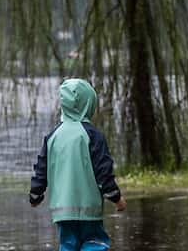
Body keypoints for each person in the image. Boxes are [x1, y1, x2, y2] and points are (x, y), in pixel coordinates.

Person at [30, 78, 126, 251]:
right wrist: (116, 198)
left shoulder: (53, 136)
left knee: (67, 244)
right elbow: (103, 172)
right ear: (89, 104)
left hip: (62, 209)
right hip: (89, 208)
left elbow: (41, 170)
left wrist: (36, 194)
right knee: (94, 242)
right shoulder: (92, 135)